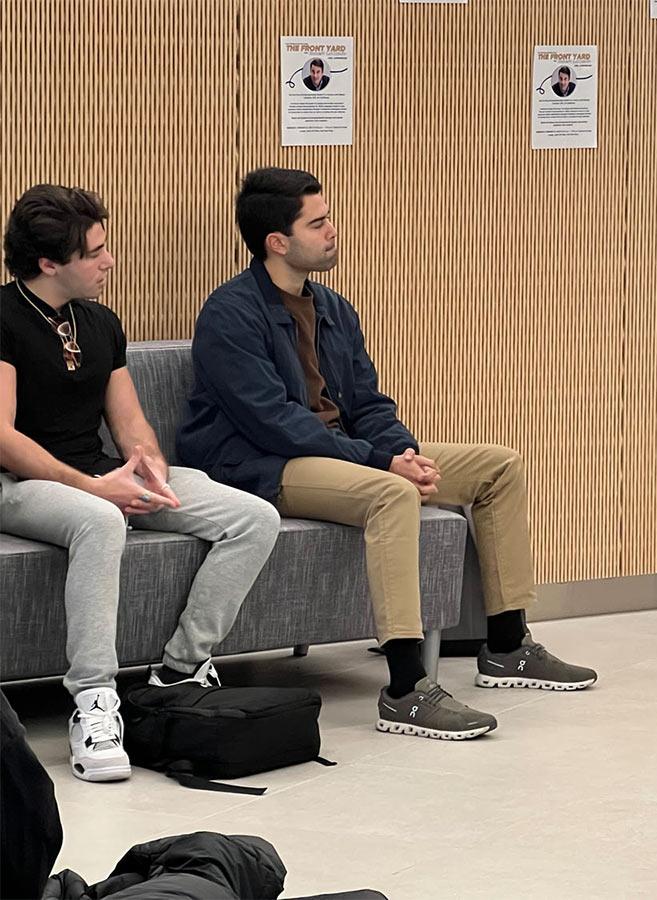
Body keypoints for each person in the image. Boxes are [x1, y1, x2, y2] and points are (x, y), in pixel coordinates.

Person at [178, 167, 597, 742]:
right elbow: (275, 422)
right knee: (392, 492)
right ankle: (405, 689)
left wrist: (402, 449)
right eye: (318, 223)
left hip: (336, 455)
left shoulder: (332, 308)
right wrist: (382, 465)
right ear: (278, 241)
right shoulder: (230, 315)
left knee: (498, 466)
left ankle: (506, 645)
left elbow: (368, 401)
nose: (332, 231)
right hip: (260, 466)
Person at [0, 185, 281, 782]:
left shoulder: (100, 322)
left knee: (252, 516)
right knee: (100, 519)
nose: (108, 262)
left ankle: (178, 671)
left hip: (98, 475)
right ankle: (94, 702)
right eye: (95, 252)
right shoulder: (2, 319)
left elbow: (129, 424)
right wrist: (95, 489)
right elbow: (2, 437)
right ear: (50, 263)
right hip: (19, 482)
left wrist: (147, 469)